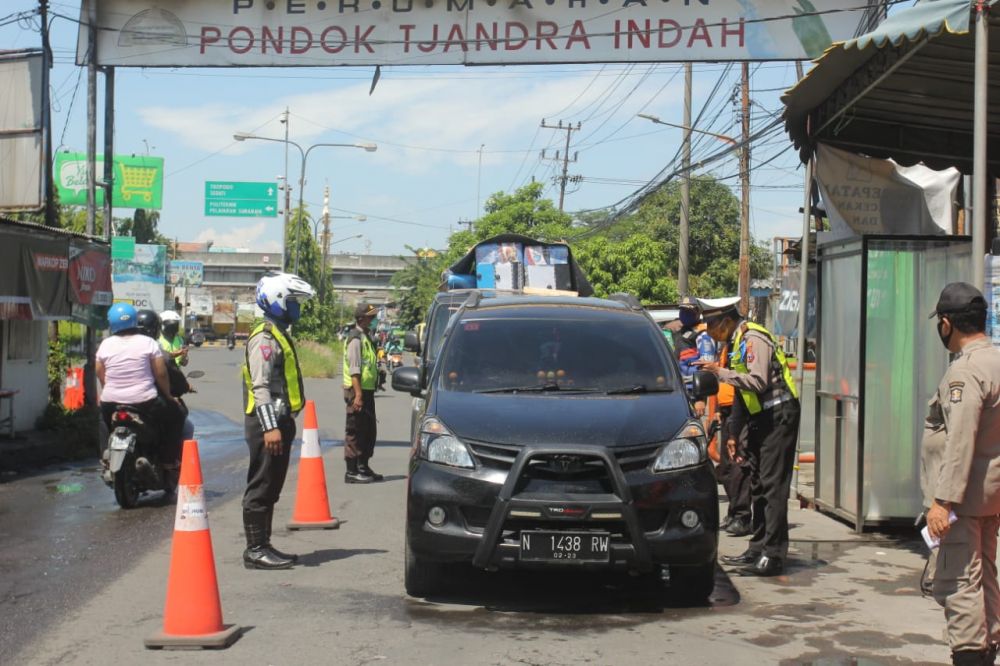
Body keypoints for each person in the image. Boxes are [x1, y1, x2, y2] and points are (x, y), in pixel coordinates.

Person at [924, 282, 1000, 665]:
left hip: (964, 500)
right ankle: (987, 648)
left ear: (947, 323)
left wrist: (942, 501)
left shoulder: (966, 372)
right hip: (989, 497)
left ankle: (973, 655)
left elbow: (960, 441)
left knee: (960, 582)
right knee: (983, 574)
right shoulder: (996, 361)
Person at [696, 303, 800, 577]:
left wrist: (720, 373)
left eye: (713, 324)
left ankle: (774, 553)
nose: (710, 331)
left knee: (772, 484)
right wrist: (734, 433)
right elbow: (742, 395)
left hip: (779, 414)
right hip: (760, 417)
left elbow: (757, 382)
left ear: (728, 321)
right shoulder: (734, 343)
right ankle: (757, 547)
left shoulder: (752, 337)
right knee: (757, 483)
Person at [241, 272, 314, 570]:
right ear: (277, 301)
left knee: (272, 486)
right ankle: (255, 549)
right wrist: (271, 427)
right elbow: (260, 387)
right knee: (261, 484)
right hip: (265, 424)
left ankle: (264, 544)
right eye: (294, 301)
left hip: (280, 422)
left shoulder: (279, 333)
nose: (297, 307)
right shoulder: (265, 338)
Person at [96, 303, 182, 467]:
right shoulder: (148, 343)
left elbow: (100, 372)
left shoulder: (105, 344)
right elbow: (161, 373)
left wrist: (111, 388)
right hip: (145, 401)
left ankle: (105, 455)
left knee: (102, 420)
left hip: (111, 402)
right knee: (176, 415)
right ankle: (168, 460)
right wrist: (169, 396)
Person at [135, 309, 194, 448]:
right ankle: (171, 460)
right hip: (154, 391)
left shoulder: (114, 344)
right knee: (180, 419)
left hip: (115, 399)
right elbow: (163, 371)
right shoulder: (154, 345)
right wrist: (173, 392)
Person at [343, 302, 382, 484]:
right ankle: (352, 471)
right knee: (355, 431)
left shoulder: (367, 337)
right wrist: (357, 395)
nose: (374, 320)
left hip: (367, 390)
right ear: (361, 318)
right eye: (371, 317)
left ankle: (363, 467)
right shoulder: (356, 339)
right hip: (356, 391)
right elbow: (354, 371)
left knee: (368, 431)